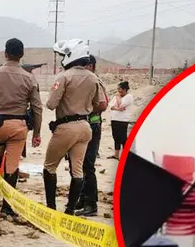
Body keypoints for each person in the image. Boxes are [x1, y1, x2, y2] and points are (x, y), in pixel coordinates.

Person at [0, 38, 43, 217]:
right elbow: (37, 108)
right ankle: (6, 207)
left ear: (5, 53)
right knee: (12, 168)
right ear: (21, 55)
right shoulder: (29, 78)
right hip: (19, 128)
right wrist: (37, 132)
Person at [43, 39, 107, 214]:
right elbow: (101, 104)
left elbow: (51, 104)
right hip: (85, 127)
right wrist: (83, 109)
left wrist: (70, 107)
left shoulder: (64, 77)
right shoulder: (94, 78)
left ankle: (51, 208)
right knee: (78, 170)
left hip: (66, 126)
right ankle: (70, 210)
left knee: (49, 166)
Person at [73, 55, 107, 217]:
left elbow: (103, 104)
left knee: (88, 165)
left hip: (92, 126)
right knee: (78, 165)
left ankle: (91, 204)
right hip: (82, 126)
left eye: (85, 66)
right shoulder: (86, 81)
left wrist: (85, 109)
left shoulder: (95, 81)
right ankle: (81, 199)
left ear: (91, 66)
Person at [109, 81, 135, 159]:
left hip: (123, 120)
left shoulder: (128, 97)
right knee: (116, 137)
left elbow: (121, 105)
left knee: (123, 138)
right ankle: (116, 154)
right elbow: (111, 106)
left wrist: (118, 98)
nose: (118, 90)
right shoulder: (116, 96)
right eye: (118, 89)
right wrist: (118, 109)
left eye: (120, 89)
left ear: (124, 89)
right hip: (114, 119)